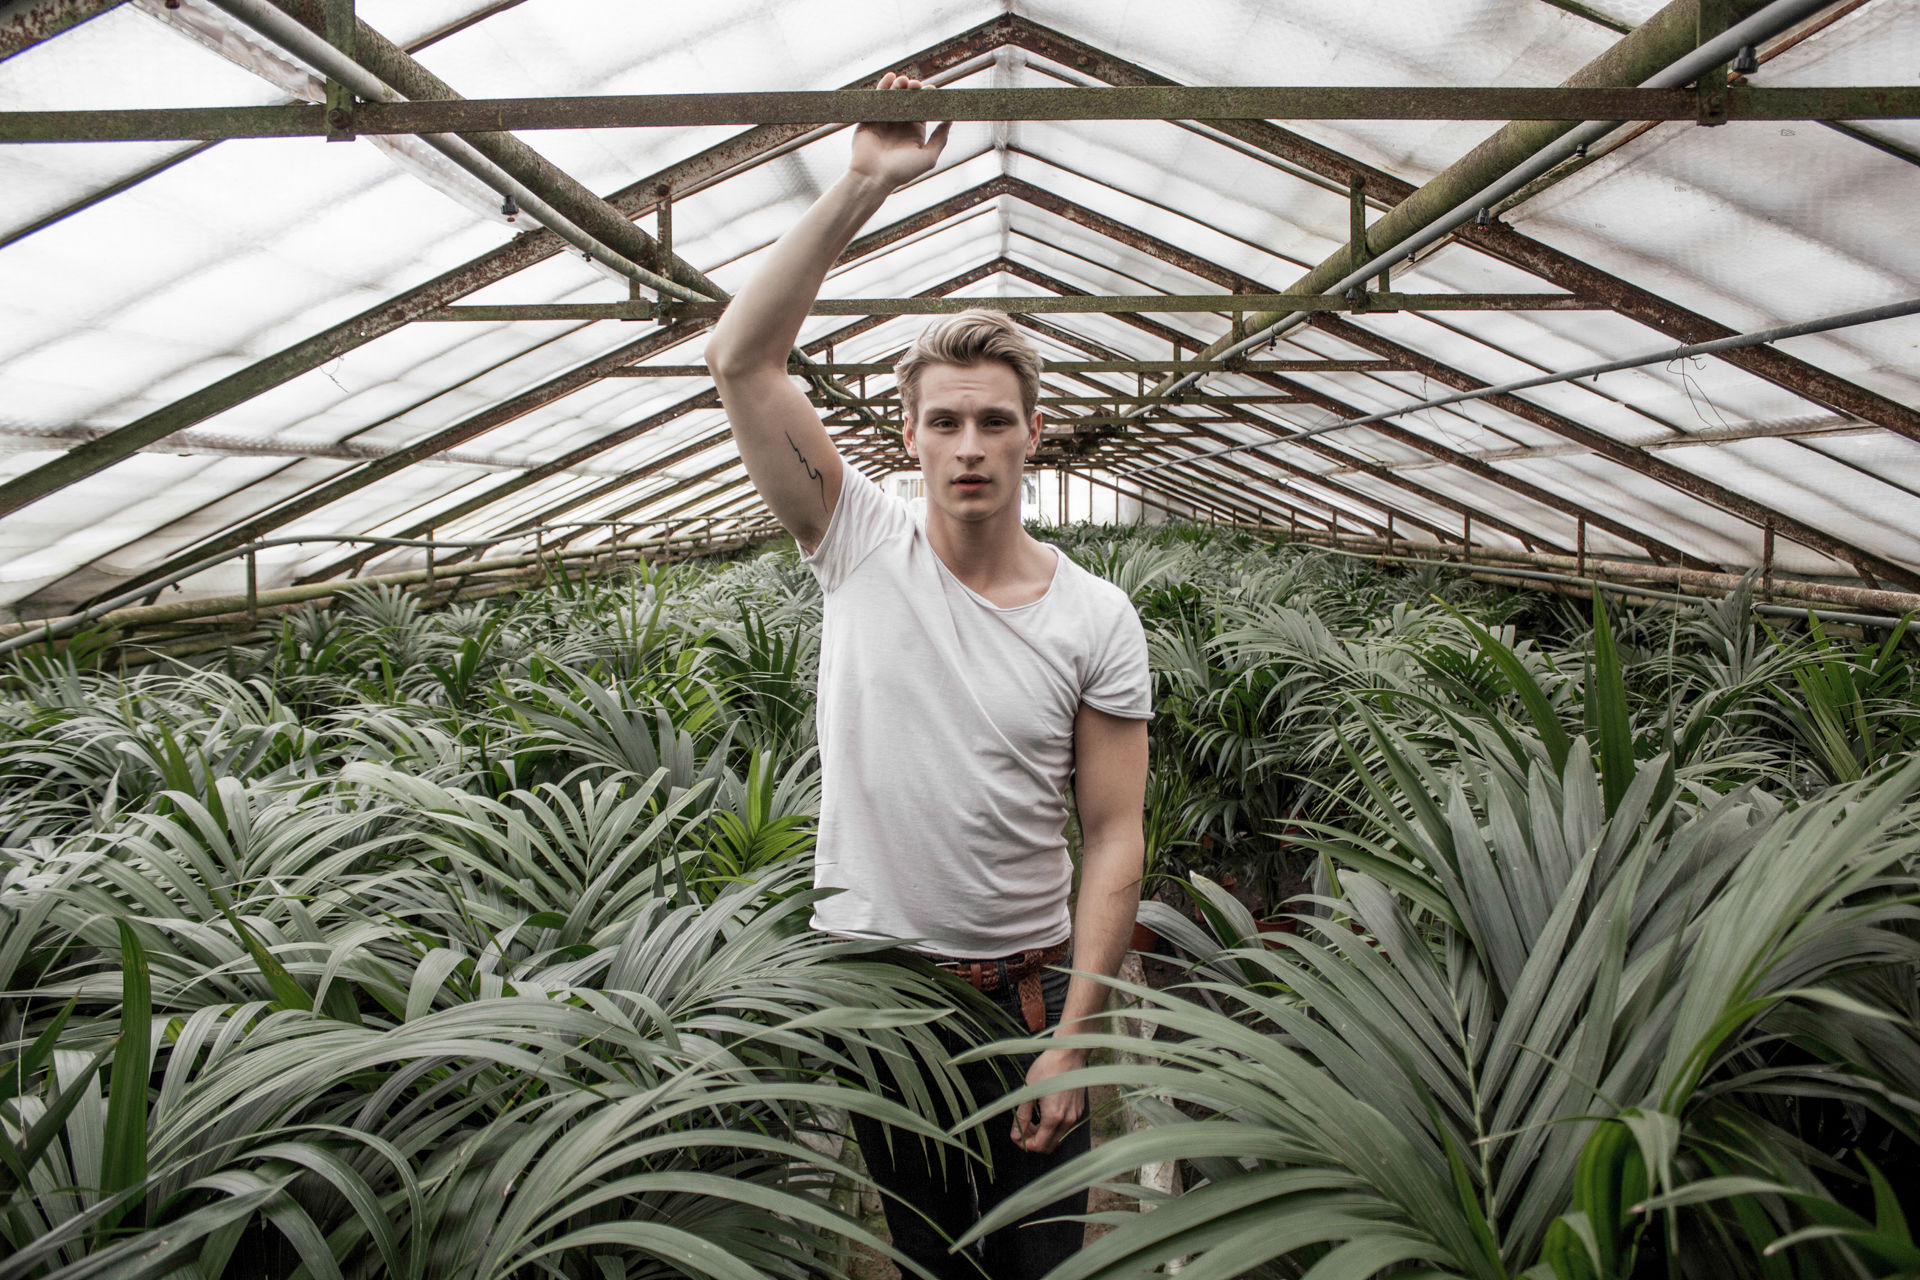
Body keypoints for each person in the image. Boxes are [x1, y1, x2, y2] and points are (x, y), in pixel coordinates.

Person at [705, 73, 1150, 1280]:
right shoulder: (855, 537)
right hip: (885, 1002)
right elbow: (741, 361)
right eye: (945, 421)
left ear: (1033, 435)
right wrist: (862, 180)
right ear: (906, 436)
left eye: (995, 421)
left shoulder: (1096, 616)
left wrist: (1074, 1036)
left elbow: (1114, 833)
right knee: (927, 1258)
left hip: (1027, 997)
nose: (969, 445)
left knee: (1039, 1261)